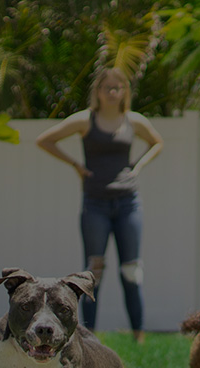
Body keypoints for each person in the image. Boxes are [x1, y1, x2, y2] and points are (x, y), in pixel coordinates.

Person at [36, 67, 163, 343]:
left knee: (131, 271)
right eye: (108, 87)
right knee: (93, 273)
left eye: (118, 87)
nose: (113, 92)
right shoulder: (86, 121)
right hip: (95, 204)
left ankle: (138, 335)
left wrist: (138, 166)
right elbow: (45, 140)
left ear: (125, 92)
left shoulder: (133, 121)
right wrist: (76, 165)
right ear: (98, 92)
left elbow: (157, 143)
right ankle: (88, 337)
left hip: (128, 203)